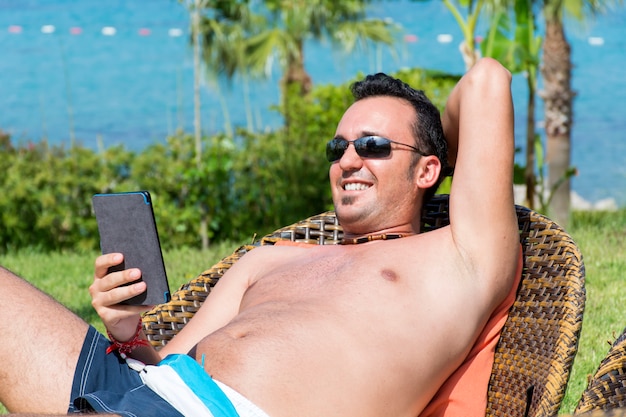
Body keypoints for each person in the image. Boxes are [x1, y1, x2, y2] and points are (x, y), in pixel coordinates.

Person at [0, 57, 520, 417]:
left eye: (374, 145)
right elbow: (166, 362)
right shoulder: (270, 259)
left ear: (430, 170)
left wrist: (432, 147)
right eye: (337, 148)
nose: (348, 159)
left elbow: (486, 82)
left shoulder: (459, 258)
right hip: (144, 392)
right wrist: (127, 331)